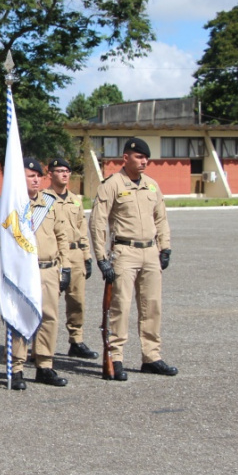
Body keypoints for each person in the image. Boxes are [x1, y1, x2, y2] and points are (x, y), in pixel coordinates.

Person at [89, 138, 177, 380]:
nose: (144, 161)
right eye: (139, 157)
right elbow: (98, 222)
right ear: (125, 158)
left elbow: (161, 218)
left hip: (150, 252)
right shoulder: (112, 184)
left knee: (152, 306)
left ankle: (152, 356)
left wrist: (165, 248)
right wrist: (101, 258)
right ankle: (115, 358)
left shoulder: (151, 185)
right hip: (124, 253)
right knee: (121, 307)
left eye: (146, 158)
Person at [8, 158, 71, 389]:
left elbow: (61, 235)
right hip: (24, 272)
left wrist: (64, 267)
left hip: (48, 269)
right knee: (21, 319)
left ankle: (45, 365)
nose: (35, 179)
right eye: (30, 176)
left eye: (38, 176)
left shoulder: (49, 203)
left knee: (49, 318)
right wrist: (4, 262)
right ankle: (17, 368)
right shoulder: (12, 204)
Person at [45, 158, 98, 360]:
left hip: (75, 254)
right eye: (59, 171)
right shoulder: (44, 199)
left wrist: (87, 256)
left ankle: (76, 340)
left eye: (67, 171)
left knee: (77, 301)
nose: (65, 174)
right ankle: (41, 344)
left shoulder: (76, 200)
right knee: (49, 303)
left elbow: (82, 231)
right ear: (50, 174)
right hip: (55, 255)